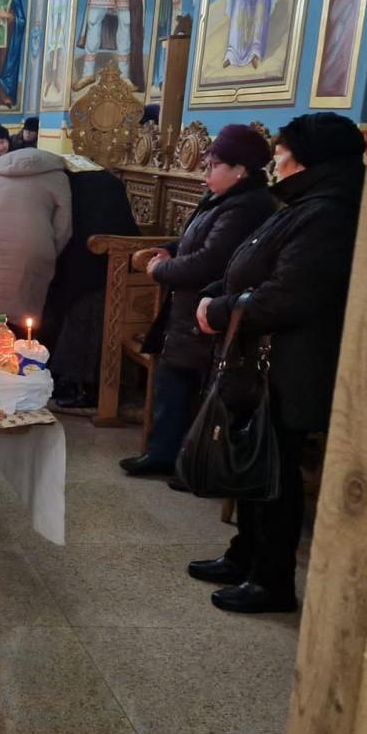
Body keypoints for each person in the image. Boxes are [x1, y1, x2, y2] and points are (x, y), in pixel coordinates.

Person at [189, 112, 367, 615]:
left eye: (284, 152)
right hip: (263, 357)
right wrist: (216, 293)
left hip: (292, 363)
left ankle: (271, 580)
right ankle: (244, 555)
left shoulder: (329, 213)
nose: (278, 160)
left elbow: (290, 294)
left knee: (274, 470)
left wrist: (220, 309)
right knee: (255, 456)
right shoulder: (303, 203)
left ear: (309, 159)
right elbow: (252, 264)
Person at [119, 125, 276, 478]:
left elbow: (210, 261)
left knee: (199, 390)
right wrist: (169, 250)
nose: (206, 172)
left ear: (240, 169)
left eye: (213, 165)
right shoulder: (222, 198)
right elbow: (192, 240)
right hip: (189, 311)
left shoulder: (247, 206)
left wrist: (160, 269)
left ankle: (191, 464)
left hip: (211, 310)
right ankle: (163, 454)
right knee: (172, 381)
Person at [42, 157, 138, 409]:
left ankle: (74, 380)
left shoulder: (69, 181)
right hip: (103, 265)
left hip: (82, 264)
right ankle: (76, 380)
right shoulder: (108, 183)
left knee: (82, 311)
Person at [0, 148, 72, 322]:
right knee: (23, 313)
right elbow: (63, 225)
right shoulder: (57, 177)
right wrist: (52, 250)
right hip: (33, 244)